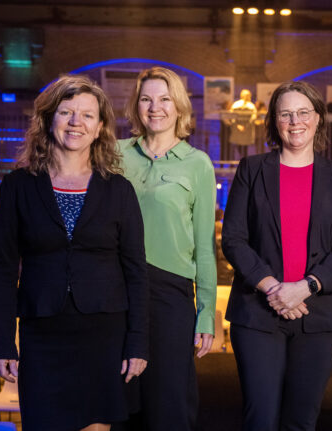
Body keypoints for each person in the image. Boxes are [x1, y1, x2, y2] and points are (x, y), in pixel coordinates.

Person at [0, 75, 149, 431]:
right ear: (48, 119)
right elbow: (1, 270)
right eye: (66, 112)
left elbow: (136, 272)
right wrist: (1, 343)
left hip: (104, 333)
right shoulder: (17, 186)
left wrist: (138, 342)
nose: (77, 122)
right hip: (42, 333)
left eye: (88, 115)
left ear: (100, 127)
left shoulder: (118, 190)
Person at [222, 81, 332, 431]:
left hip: (319, 314)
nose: (295, 122)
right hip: (257, 312)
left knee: (301, 422)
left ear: (318, 118)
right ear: (274, 121)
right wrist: (274, 288)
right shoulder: (251, 169)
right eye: (285, 114)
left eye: (303, 113)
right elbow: (233, 239)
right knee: (260, 420)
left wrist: (304, 288)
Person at [118, 66, 217, 431]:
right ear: (136, 106)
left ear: (179, 107)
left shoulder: (197, 164)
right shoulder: (114, 154)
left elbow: (204, 247)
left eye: (164, 99)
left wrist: (206, 313)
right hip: (117, 288)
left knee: (168, 402)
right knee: (120, 398)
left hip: (169, 294)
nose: (155, 107)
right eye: (146, 99)